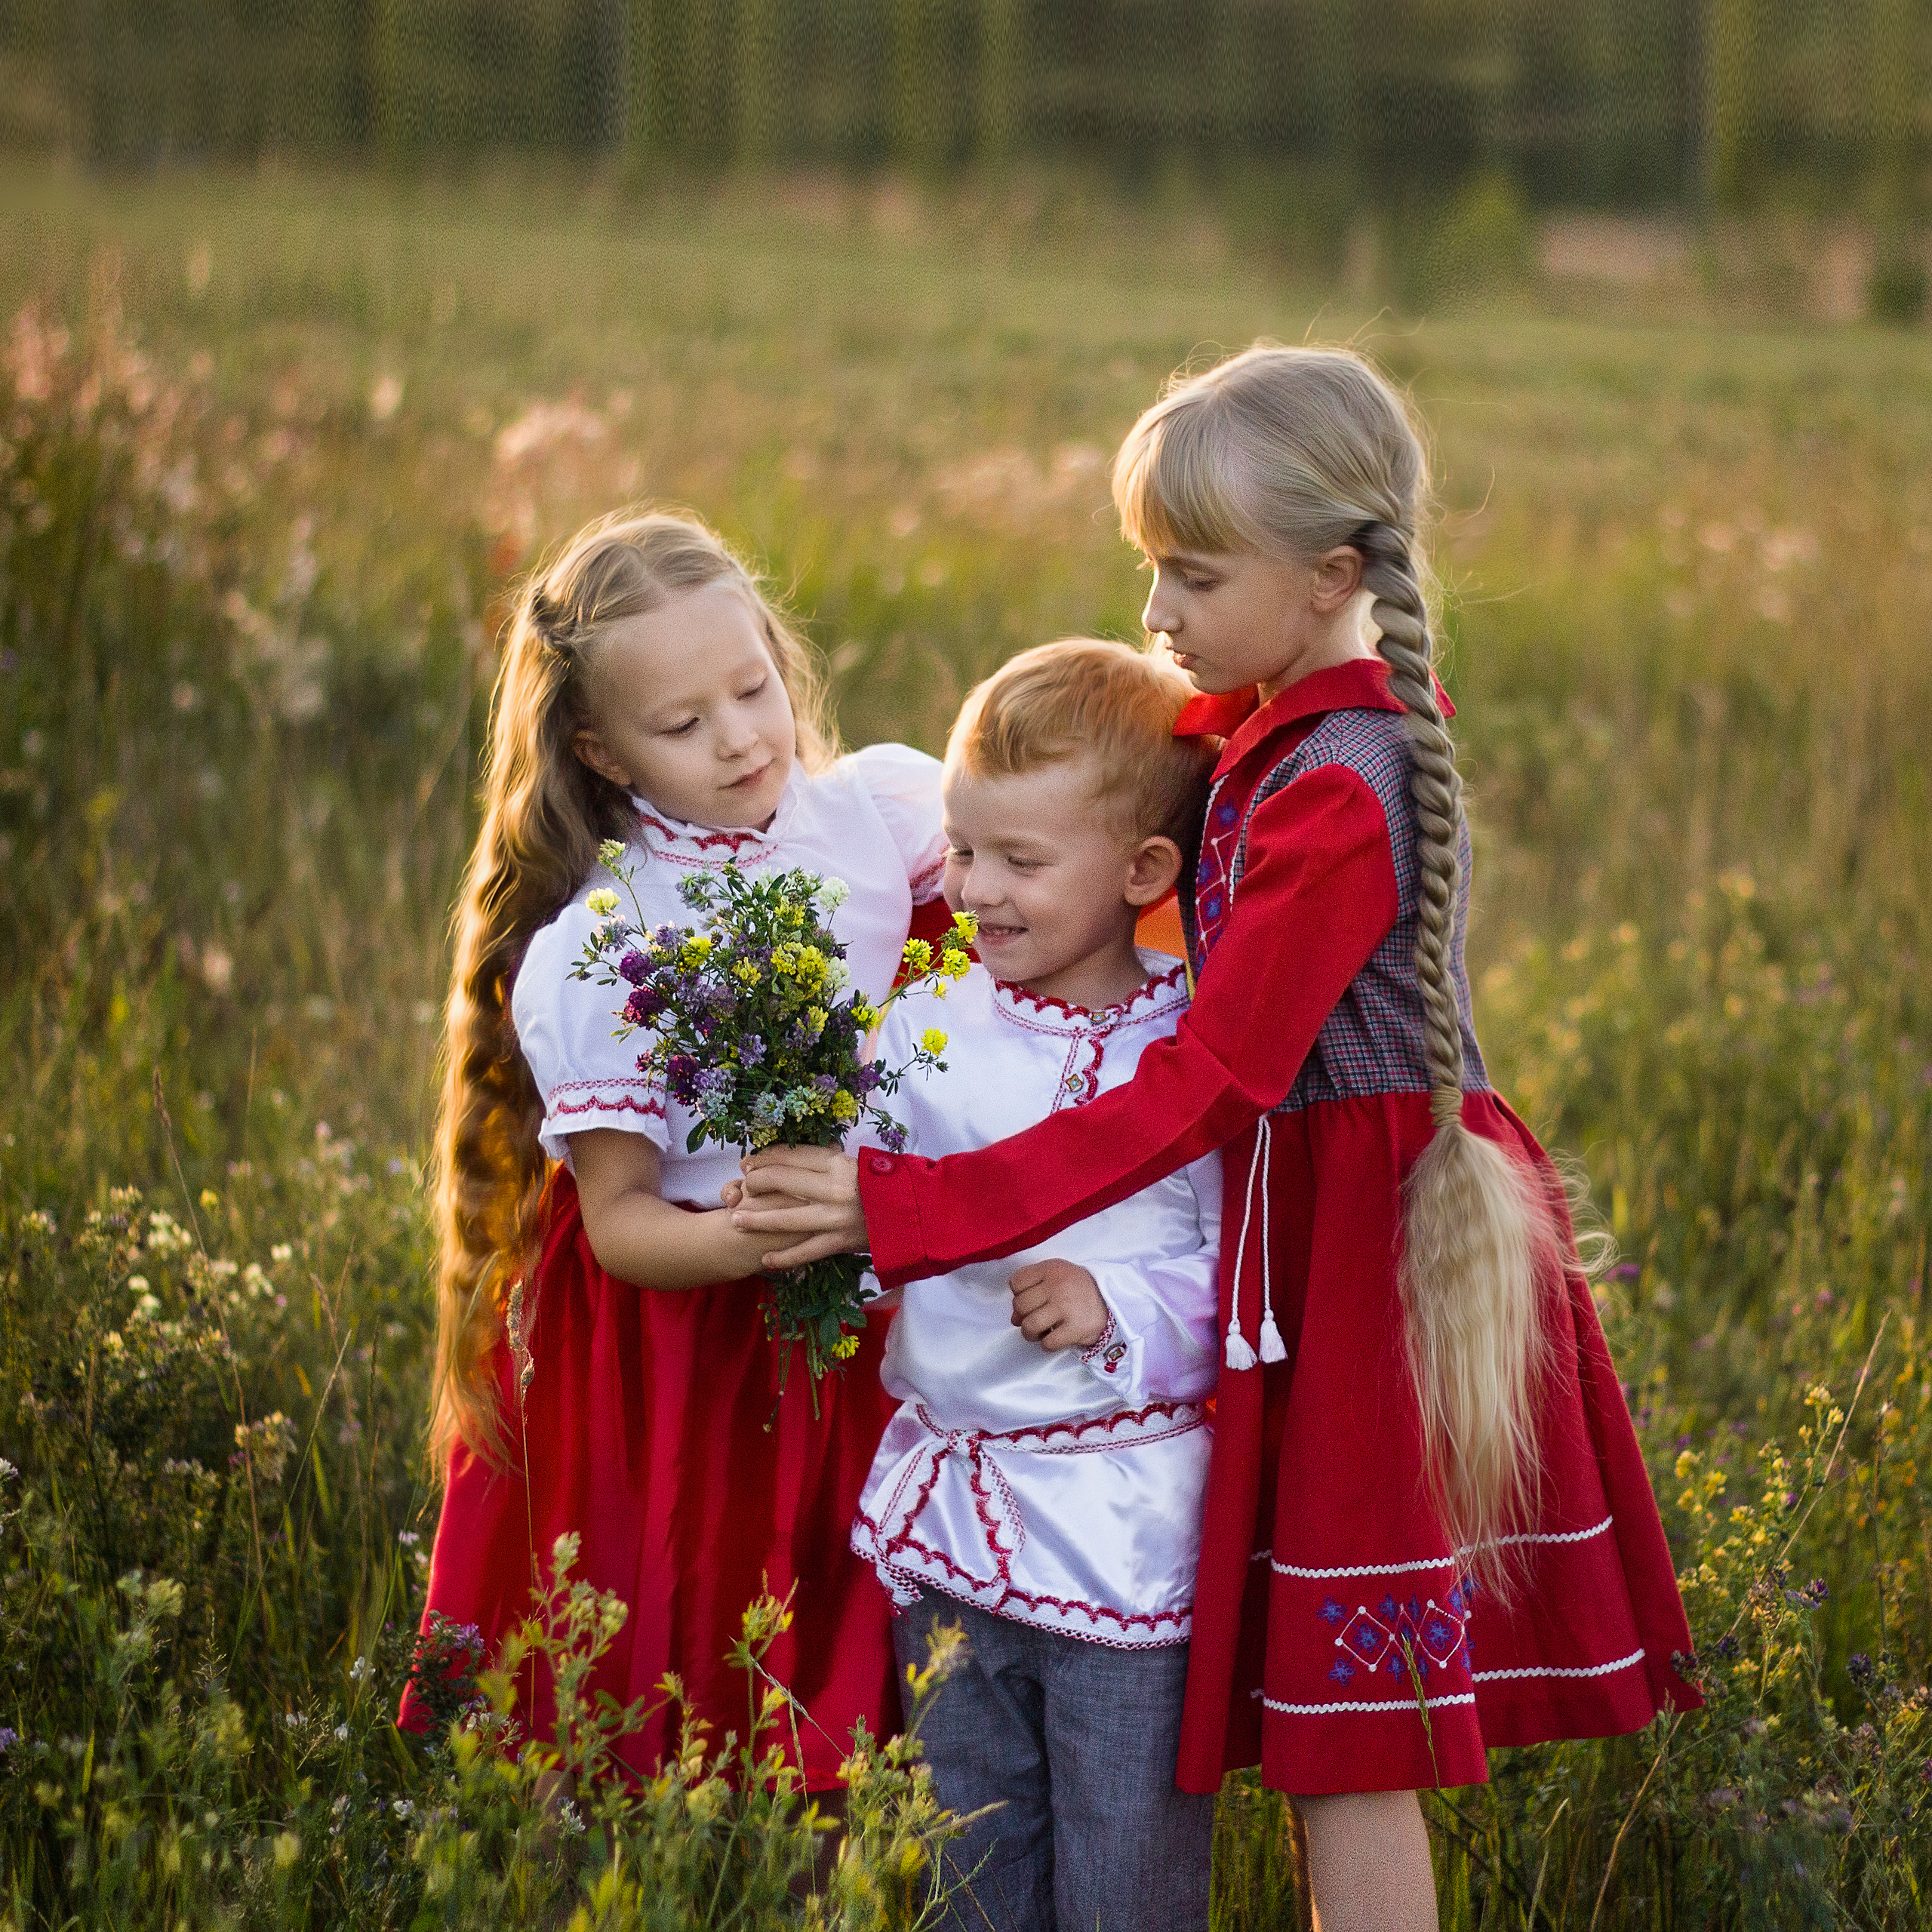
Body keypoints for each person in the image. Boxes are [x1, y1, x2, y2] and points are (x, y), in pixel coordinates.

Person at [733, 346, 1703, 1930]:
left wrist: (905, 1205)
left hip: (1352, 1246)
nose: (1159, 611)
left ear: (1327, 575)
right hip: (1276, 1236)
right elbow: (1084, 805)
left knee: (1346, 1738)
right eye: (1148, 569)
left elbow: (1203, 1081)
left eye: (1191, 573)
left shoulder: (1338, 784)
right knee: (1317, 1712)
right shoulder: (1265, 726)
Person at [404, 508, 950, 1789]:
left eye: (751, 687)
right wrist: (752, 1237)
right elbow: (619, 1221)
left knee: (858, 1667)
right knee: (698, 1654)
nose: (742, 736)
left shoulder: (878, 813)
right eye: (683, 724)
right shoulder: (609, 940)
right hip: (694, 1352)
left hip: (871, 1316)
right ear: (600, 751)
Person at [852, 639, 1223, 1932]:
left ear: (1143, 875)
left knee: (1128, 1875)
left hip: (1125, 1537)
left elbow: (1243, 1266)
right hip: (954, 1517)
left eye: (1020, 861)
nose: (977, 891)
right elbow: (867, 1202)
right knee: (970, 1866)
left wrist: (1123, 1309)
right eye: (963, 851)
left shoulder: (1188, 1046)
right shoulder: (927, 1024)